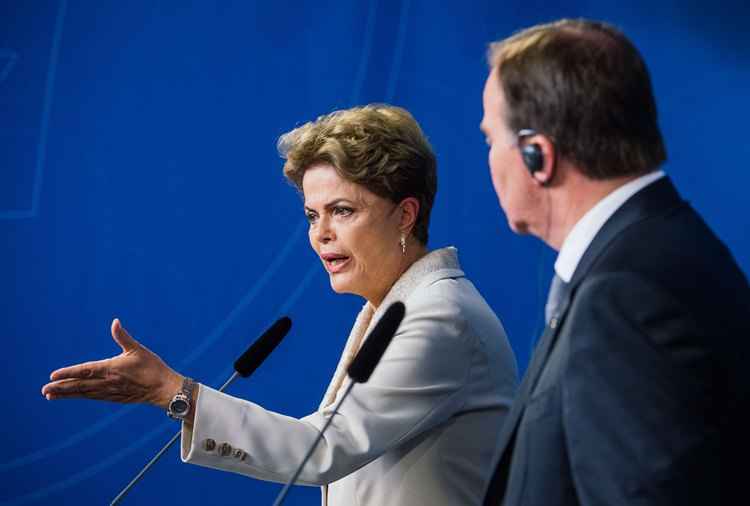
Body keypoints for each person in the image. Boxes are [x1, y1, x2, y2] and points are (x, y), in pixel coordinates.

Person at [42, 104, 518, 506]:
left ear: (405, 214)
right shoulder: (397, 307)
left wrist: (174, 392)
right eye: (313, 215)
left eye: (343, 211)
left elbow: (324, 446)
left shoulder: (440, 316)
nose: (321, 233)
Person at [479, 18, 750, 506]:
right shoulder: (661, 250)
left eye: (491, 139)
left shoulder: (624, 296)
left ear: (537, 155)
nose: (490, 159)